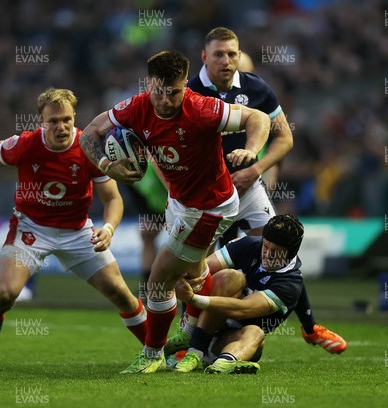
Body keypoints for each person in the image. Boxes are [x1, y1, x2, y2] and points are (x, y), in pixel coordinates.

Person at [0, 88, 147, 361]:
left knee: (121, 294)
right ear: (41, 122)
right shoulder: (24, 145)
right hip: (31, 230)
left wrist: (109, 228)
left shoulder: (89, 148)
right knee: (5, 294)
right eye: (53, 121)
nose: (61, 126)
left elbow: (113, 199)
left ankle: (156, 350)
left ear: (75, 118)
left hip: (78, 232)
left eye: (66, 119)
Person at [80, 50, 271, 373]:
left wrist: (250, 149)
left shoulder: (202, 108)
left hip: (210, 207)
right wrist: (107, 165)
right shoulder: (137, 106)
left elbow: (259, 118)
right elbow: (89, 133)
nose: (166, 100)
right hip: (180, 203)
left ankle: (153, 352)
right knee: (194, 276)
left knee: (158, 279)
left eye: (174, 92)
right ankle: (193, 331)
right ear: (148, 83)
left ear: (185, 84)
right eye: (159, 91)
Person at [166, 27, 346, 354]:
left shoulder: (256, 89)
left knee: (281, 247)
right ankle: (187, 331)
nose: (227, 60)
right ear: (204, 57)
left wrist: (256, 169)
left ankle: (309, 327)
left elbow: (284, 138)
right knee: (198, 265)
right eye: (219, 54)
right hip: (203, 196)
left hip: (248, 189)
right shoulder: (187, 92)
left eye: (232, 54)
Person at [172, 214, 309, 374]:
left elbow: (243, 309)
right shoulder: (249, 245)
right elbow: (202, 271)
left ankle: (222, 363)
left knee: (256, 333)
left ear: (290, 253)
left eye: (276, 252)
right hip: (204, 322)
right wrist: (180, 278)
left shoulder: (290, 284)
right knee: (231, 277)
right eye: (266, 246)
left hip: (231, 338)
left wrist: (193, 299)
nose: (268, 254)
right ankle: (194, 348)